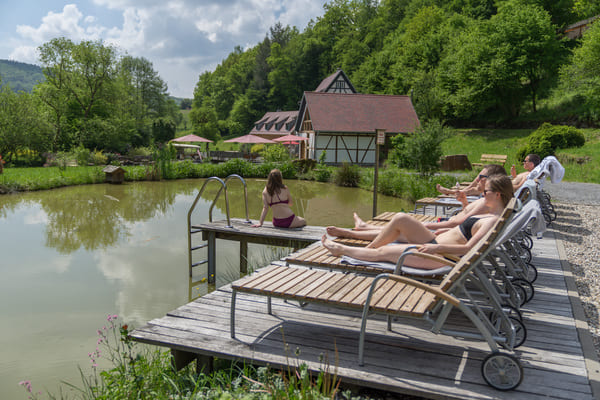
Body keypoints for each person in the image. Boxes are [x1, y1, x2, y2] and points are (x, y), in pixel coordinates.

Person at [322, 175, 514, 269]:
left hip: (440, 256)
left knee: (385, 252)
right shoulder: (490, 215)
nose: (482, 193)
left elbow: (468, 249)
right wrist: (439, 235)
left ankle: (342, 250)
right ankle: (365, 249)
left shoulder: (491, 221)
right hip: (435, 244)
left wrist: (435, 249)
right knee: (401, 218)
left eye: (486, 191)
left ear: (497, 195)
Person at [330, 167, 507, 242]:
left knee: (397, 233)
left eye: (481, 177)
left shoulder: (487, 204)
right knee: (397, 229)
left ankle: (353, 232)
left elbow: (457, 223)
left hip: (443, 232)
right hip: (446, 231)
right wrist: (464, 203)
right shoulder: (488, 202)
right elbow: (464, 220)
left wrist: (427, 224)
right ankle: (364, 227)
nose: (478, 179)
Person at [436, 164, 508, 196]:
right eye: (478, 176)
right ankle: (450, 192)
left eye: (481, 177)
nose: (477, 180)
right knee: (474, 187)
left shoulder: (490, 196)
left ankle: (450, 192)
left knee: (473, 189)